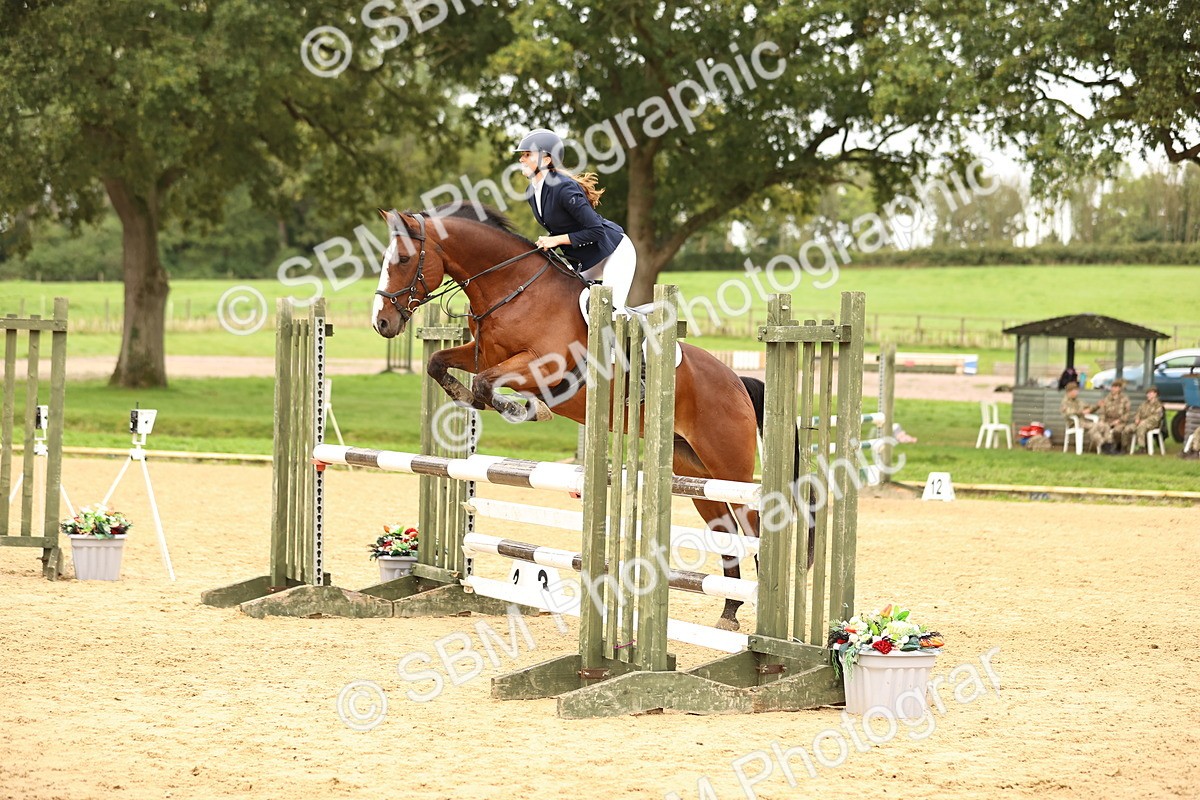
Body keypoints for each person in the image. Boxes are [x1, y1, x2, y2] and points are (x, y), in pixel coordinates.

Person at [515, 128, 636, 313]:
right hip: (584, 260)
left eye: (527, 154)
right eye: (522, 155)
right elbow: (559, 226)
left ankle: (642, 339)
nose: (521, 159)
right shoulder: (531, 192)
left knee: (608, 313)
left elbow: (596, 230)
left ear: (546, 160)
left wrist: (555, 240)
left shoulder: (564, 187)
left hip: (614, 252)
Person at [1060, 382, 1112, 453]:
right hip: (1074, 423)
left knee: (1105, 425)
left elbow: (1088, 408)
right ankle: (1104, 446)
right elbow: (1068, 413)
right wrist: (1082, 412)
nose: (1077, 392)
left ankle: (1109, 445)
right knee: (1094, 427)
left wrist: (1097, 406)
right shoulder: (1065, 402)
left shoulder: (1078, 401)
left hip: (1084, 422)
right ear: (1070, 391)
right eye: (1075, 391)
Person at [1096, 378, 1133, 454]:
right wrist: (1102, 420)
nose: (1113, 389)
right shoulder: (1107, 398)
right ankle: (1107, 448)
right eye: (1112, 387)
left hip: (1120, 421)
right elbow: (1102, 411)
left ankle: (1119, 446)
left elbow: (1127, 413)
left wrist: (1119, 421)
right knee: (1103, 428)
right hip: (1108, 421)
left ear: (1119, 388)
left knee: (1117, 431)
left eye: (1116, 387)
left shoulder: (1125, 399)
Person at [1129, 386, 1164, 454]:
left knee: (1141, 426)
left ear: (1155, 394)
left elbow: (1156, 418)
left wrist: (1145, 421)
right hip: (1141, 422)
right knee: (1128, 428)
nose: (1148, 395)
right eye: (1147, 393)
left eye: (1150, 393)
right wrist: (1137, 418)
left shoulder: (1158, 405)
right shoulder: (1144, 404)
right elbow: (1138, 413)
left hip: (1153, 424)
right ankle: (1124, 447)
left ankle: (1142, 448)